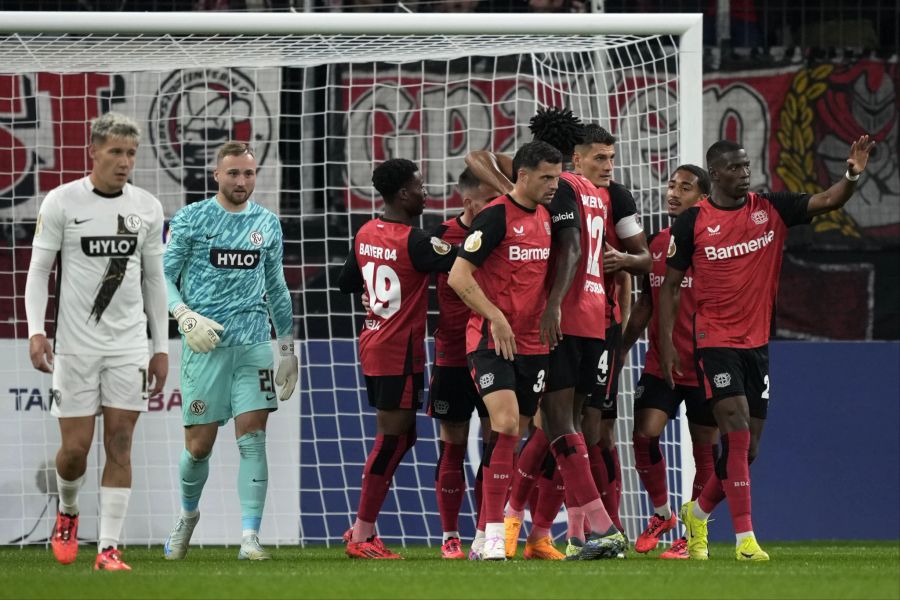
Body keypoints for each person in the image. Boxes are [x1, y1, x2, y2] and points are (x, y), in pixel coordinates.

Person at [660, 136, 876, 561]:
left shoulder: (771, 208)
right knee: (736, 433)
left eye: (747, 166)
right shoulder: (692, 223)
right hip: (714, 342)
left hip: (756, 345)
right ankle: (745, 541)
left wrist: (852, 172)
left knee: (749, 449)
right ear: (716, 173)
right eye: (736, 167)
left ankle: (698, 512)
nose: (746, 172)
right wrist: (667, 344)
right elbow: (669, 287)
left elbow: (829, 200)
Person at [24, 111, 168, 571]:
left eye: (131, 154)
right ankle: (68, 512)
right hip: (76, 347)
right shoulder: (62, 202)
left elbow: (155, 280)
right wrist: (35, 330)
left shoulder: (146, 207)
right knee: (74, 452)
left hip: (129, 347)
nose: (124, 162)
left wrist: (159, 346)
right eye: (116, 152)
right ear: (93, 152)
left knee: (121, 443)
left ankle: (108, 547)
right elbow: (39, 272)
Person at [162, 141, 298, 562]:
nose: (242, 181)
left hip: (254, 344)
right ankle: (187, 517)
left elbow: (276, 286)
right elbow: (161, 277)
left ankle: (249, 537)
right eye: (234, 173)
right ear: (217, 175)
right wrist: (184, 316)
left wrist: (287, 348)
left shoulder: (267, 223)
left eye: (249, 173)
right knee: (199, 447)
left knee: (253, 440)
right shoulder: (191, 218)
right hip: (206, 347)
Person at [338, 158, 458, 560]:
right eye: (421, 186)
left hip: (373, 342)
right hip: (398, 353)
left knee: (404, 436)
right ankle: (362, 535)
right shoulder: (416, 241)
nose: (426, 193)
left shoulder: (366, 231)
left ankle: (361, 528)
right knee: (391, 440)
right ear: (404, 194)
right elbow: (463, 263)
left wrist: (374, 291)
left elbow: (346, 284)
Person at [447, 140, 559, 561]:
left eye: (556, 176)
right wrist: (494, 316)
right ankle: (495, 534)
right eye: (545, 177)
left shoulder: (547, 219)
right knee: (508, 424)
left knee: (512, 434)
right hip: (489, 341)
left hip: (534, 344)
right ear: (523, 176)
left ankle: (481, 535)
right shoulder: (494, 218)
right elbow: (460, 276)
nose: (552, 184)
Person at [620, 165, 718, 559]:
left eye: (685, 187)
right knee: (643, 435)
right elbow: (646, 302)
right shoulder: (658, 243)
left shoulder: (713, 244)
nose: (674, 193)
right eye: (672, 185)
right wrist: (622, 347)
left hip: (704, 363)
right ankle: (663, 513)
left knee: (704, 452)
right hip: (660, 362)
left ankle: (693, 537)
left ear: (704, 197)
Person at [576, 124, 651, 541]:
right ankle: (527, 525)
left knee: (598, 429)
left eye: (611, 158)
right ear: (577, 159)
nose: (608, 166)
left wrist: (622, 259)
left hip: (602, 326)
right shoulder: (556, 190)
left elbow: (647, 260)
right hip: (557, 327)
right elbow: (480, 158)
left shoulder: (617, 197)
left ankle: (609, 523)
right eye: (599, 158)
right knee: (551, 427)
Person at [427, 168, 496, 559]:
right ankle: (451, 535)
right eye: (487, 200)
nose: (495, 207)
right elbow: (412, 277)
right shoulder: (441, 236)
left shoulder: (501, 232)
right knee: (452, 446)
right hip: (452, 353)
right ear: (469, 203)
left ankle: (485, 532)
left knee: (495, 445)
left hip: (493, 351)